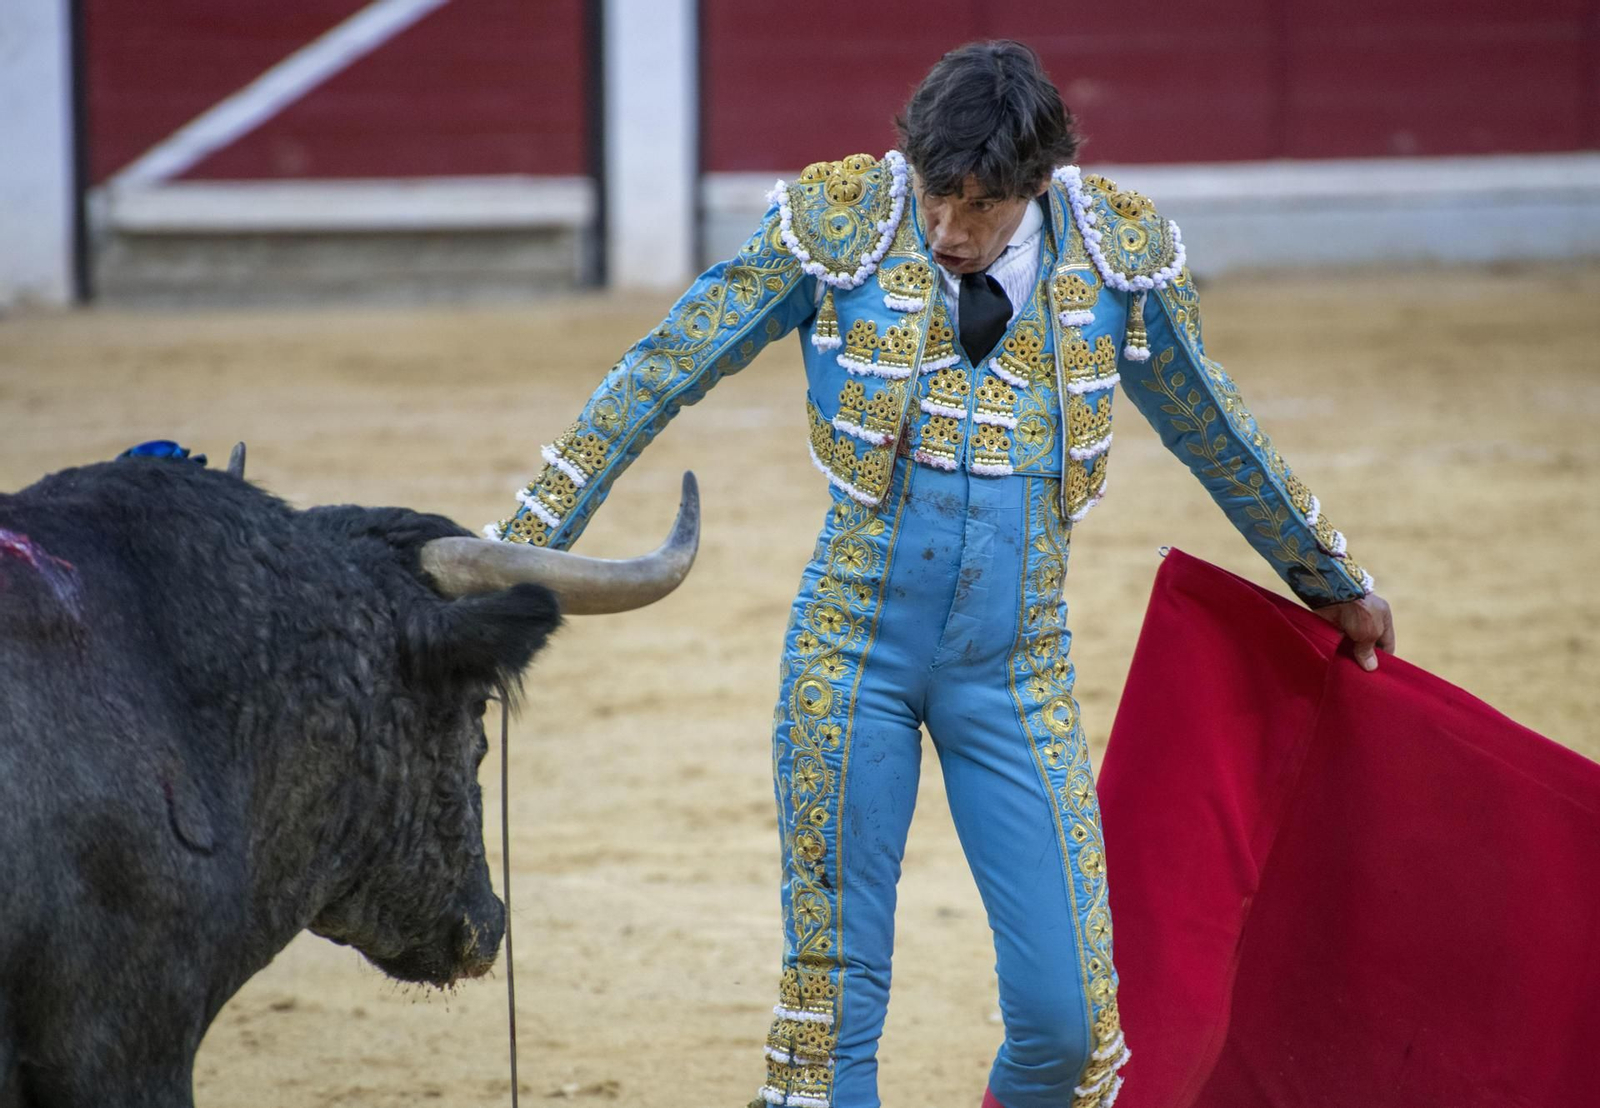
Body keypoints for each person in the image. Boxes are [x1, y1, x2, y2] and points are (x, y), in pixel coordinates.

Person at [489, 40, 1395, 1108]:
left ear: (1038, 185)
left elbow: (1215, 428)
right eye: (934, 194)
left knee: (1068, 1028)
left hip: (1015, 674)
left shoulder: (1115, 259)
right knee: (831, 1023)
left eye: (981, 207)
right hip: (851, 657)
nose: (948, 230)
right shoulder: (843, 225)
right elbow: (658, 370)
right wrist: (523, 540)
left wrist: (1331, 578)